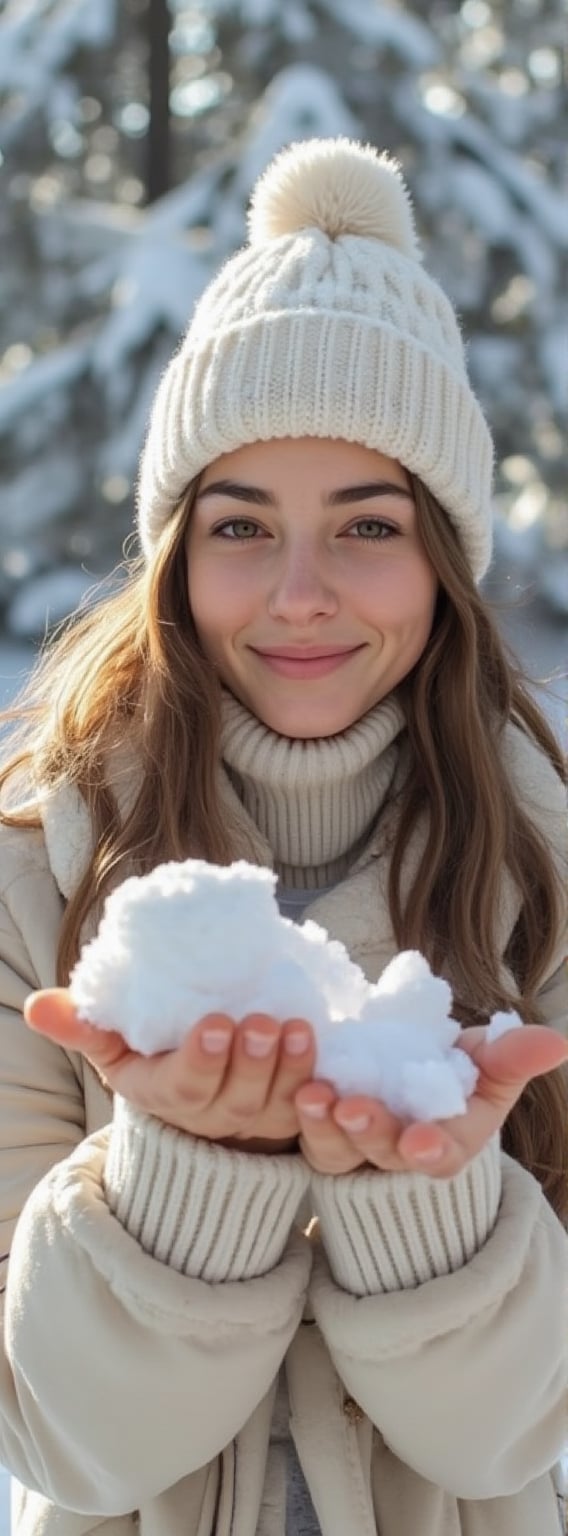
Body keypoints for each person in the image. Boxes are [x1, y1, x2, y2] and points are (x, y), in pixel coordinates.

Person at [0, 137, 566, 1536]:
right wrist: (184, 1177)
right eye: (243, 525)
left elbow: (522, 1436)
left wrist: (427, 1212)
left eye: (365, 525)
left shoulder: (547, 870)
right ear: (177, 555)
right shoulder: (34, 873)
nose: (299, 594)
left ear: (442, 559)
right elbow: (58, 1443)